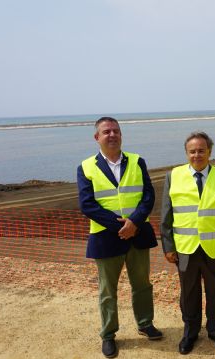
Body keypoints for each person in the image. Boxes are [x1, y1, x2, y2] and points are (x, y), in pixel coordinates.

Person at [77, 117, 162, 358]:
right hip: (106, 237)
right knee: (107, 290)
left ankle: (145, 324)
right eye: (106, 132)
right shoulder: (85, 167)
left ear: (121, 135)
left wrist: (134, 222)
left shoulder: (137, 161)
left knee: (142, 285)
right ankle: (108, 335)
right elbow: (87, 205)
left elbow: (148, 195)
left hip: (138, 233)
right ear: (97, 137)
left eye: (116, 131)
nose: (112, 135)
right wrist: (120, 227)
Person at [160, 132, 215, 355]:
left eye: (201, 150)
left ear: (209, 152)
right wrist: (168, 247)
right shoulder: (173, 176)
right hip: (185, 248)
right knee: (189, 292)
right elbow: (166, 215)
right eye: (192, 151)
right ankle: (190, 332)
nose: (197, 155)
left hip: (214, 247)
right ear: (186, 153)